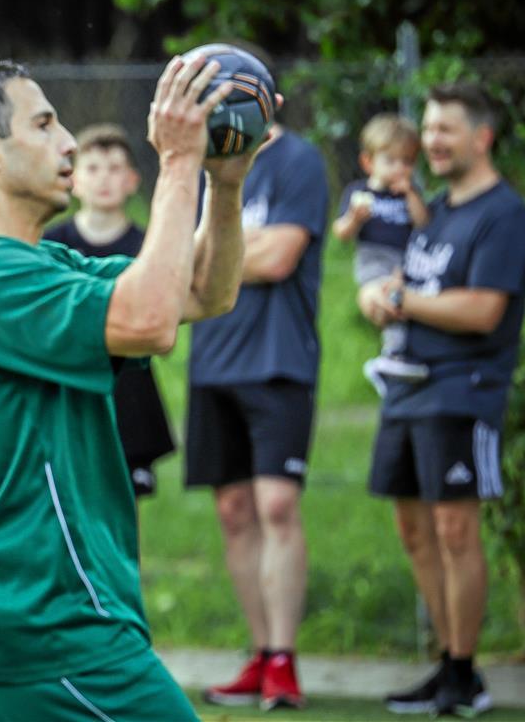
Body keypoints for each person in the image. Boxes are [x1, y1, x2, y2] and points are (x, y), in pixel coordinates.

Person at [0, 55, 259, 721]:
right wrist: (179, 162)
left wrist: (225, 185)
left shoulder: (30, 262)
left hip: (7, 611)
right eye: (43, 125)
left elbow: (201, 293)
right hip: (47, 620)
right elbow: (151, 321)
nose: (68, 142)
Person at [360, 82, 525, 718]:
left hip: (464, 391)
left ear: (481, 138)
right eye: (427, 129)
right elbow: (398, 276)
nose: (430, 141)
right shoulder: (433, 208)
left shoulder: (502, 213)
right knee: (414, 530)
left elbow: (483, 310)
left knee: (456, 529)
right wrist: (378, 294)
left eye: (444, 130)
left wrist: (403, 300)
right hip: (405, 387)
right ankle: (444, 663)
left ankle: (466, 673)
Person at [186, 89, 329, 708]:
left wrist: (214, 256)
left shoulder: (299, 161)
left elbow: (278, 257)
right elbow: (182, 260)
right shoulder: (200, 167)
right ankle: (257, 652)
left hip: (279, 362)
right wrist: (210, 257)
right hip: (212, 362)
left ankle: (284, 659)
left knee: (276, 506)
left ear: (266, 100)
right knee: (234, 512)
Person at [44, 123, 175, 497]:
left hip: (130, 396)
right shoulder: (51, 245)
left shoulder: (148, 245)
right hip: (68, 394)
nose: (104, 179)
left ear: (133, 180)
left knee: (123, 509)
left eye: (115, 168)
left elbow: (163, 332)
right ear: (74, 180)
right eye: (93, 168)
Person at [332, 113, 430, 394]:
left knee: (407, 301)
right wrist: (354, 217)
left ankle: (398, 357)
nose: (400, 168)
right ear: (368, 162)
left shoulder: (410, 193)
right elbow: (341, 233)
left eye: (407, 162)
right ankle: (391, 356)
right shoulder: (358, 192)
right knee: (390, 299)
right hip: (374, 261)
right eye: (391, 161)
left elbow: (424, 224)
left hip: (406, 262)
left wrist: (411, 194)